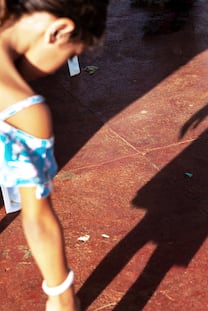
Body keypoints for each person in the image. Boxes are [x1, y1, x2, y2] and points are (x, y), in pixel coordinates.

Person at [0, 1, 109, 310]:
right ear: (60, 30)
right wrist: (61, 294)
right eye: (70, 56)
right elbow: (38, 219)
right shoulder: (23, 112)